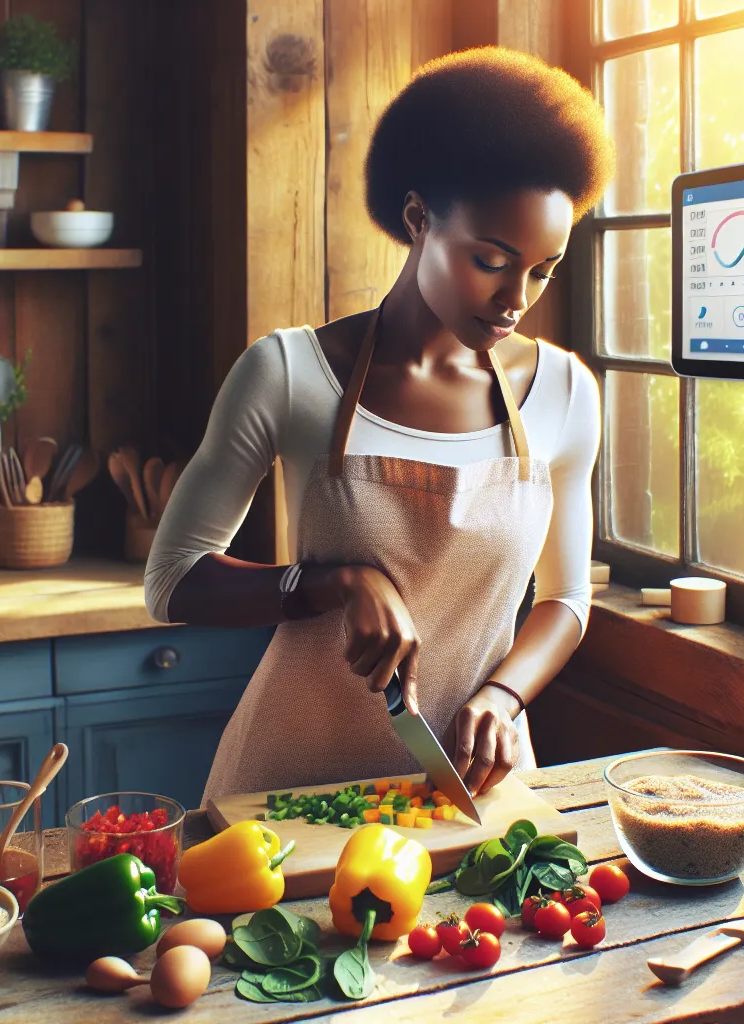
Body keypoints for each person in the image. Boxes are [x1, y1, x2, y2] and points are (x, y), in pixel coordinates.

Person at [145, 47, 614, 804]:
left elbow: (565, 600)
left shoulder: (564, 392)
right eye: (491, 260)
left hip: (470, 789)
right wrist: (328, 583)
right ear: (418, 218)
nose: (515, 298)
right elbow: (171, 582)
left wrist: (504, 696)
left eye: (542, 269)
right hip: (289, 793)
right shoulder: (288, 374)